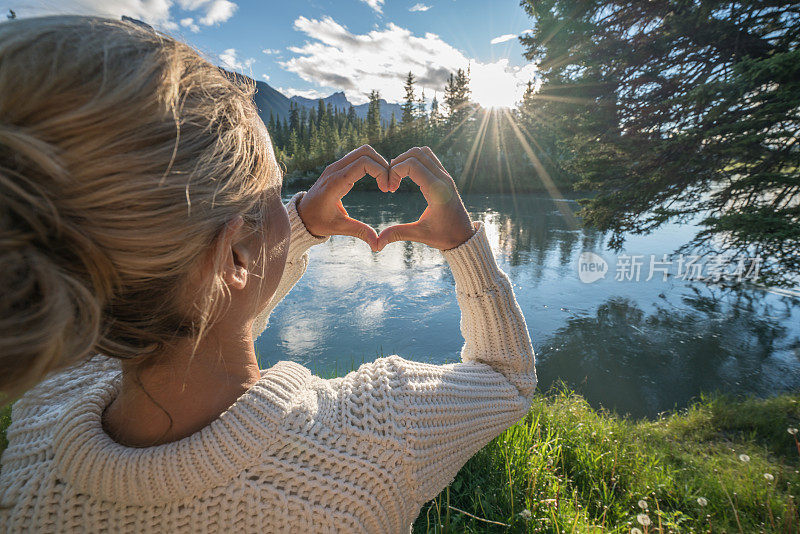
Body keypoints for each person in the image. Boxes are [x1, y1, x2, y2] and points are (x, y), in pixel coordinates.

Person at [0, 15, 536, 533]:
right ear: (234, 253)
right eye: (277, 193)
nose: (291, 204)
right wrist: (463, 244)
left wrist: (293, 226)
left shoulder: (39, 415)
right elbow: (507, 378)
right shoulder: (378, 438)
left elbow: (198, 308)